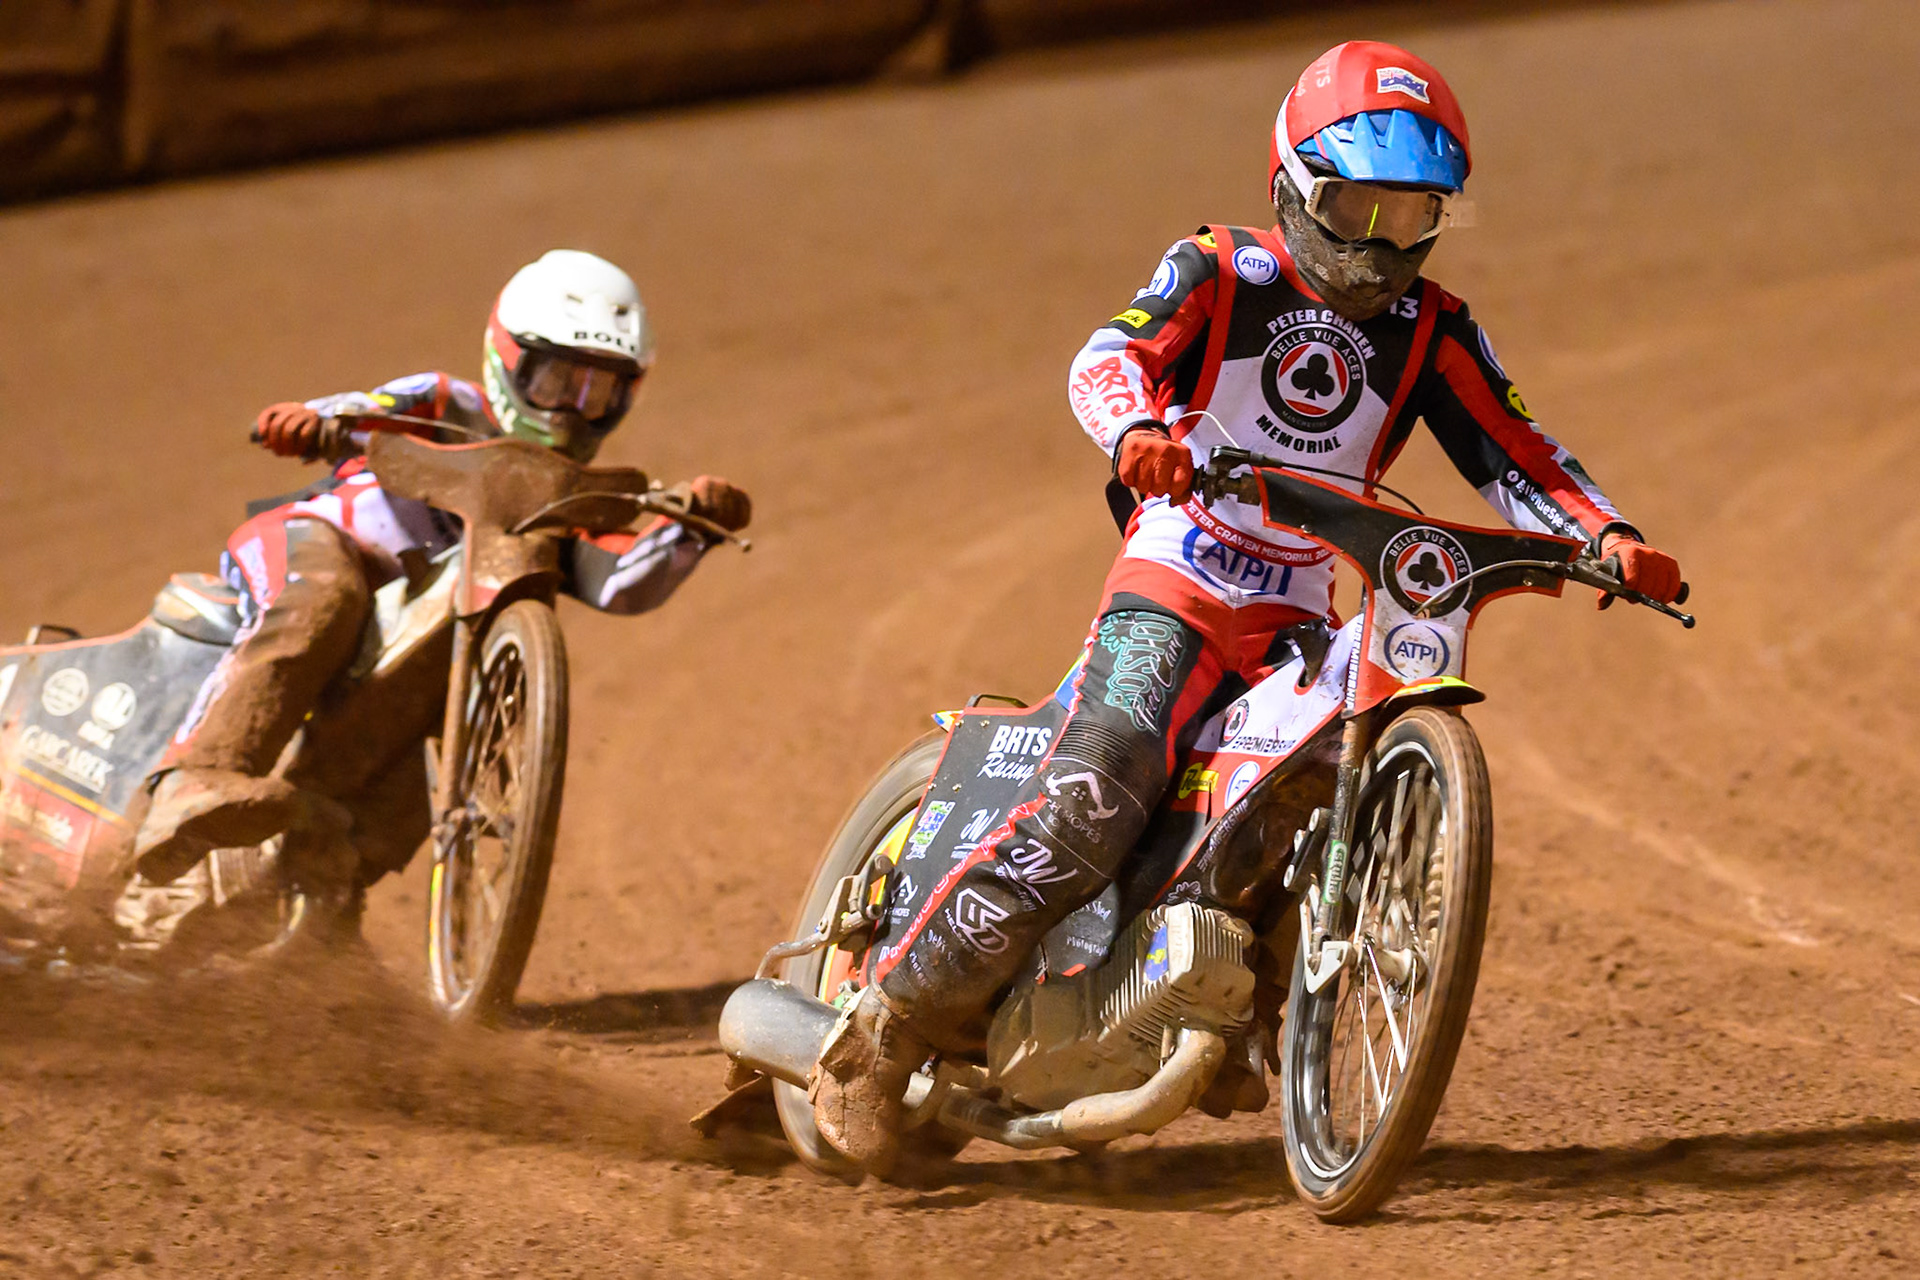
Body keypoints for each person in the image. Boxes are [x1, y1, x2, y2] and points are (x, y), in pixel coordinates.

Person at [810, 40, 1684, 1173]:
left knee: (1316, 776)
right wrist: (1138, 431)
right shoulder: (1221, 269)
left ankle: (1236, 1005)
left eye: (1412, 215)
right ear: (1294, 188)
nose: (1381, 243)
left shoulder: (1435, 330)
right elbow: (1105, 355)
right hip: (1180, 570)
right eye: (1358, 205)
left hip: (1299, 602)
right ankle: (881, 1027)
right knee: (1104, 775)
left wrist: (1605, 535)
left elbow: (1519, 451)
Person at [131, 249, 752, 903]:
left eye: (598, 393)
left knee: (438, 730)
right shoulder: (443, 400)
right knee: (325, 598)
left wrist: (692, 528)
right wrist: (315, 421)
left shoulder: (574, 500)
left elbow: (622, 584)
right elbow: (361, 410)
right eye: (555, 382)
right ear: (506, 360)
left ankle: (316, 896)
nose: (572, 408)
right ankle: (198, 776)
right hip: (321, 543)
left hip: (437, 619)